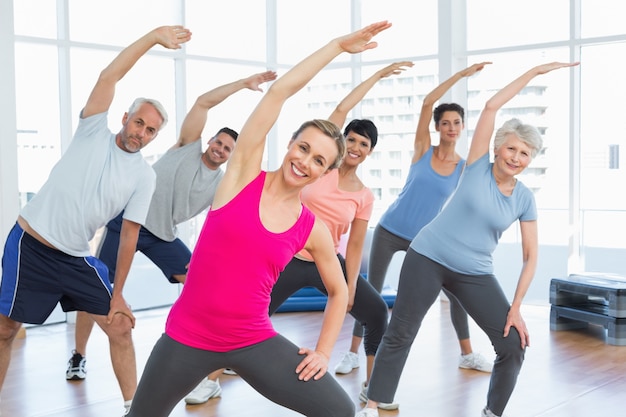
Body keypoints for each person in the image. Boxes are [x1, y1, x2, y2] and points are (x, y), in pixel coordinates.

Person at [125, 21, 391, 417]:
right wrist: (336, 46)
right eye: (303, 148)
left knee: (339, 410)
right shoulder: (241, 177)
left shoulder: (310, 228)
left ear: (326, 172)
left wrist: (322, 351)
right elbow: (280, 92)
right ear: (289, 144)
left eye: (319, 160)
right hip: (187, 337)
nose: (305, 161)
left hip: (252, 340)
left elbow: (340, 292)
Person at [355, 61, 579, 417]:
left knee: (512, 344)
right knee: (401, 332)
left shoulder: (524, 198)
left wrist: (517, 307)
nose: (516, 158)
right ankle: (372, 404)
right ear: (498, 148)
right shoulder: (476, 165)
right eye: (511, 149)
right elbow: (491, 106)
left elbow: (530, 256)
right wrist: (532, 73)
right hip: (427, 256)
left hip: (474, 271)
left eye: (524, 153)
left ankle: (492, 412)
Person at [0, 25, 192, 416]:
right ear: (125, 117)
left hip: (74, 258)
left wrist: (118, 292)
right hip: (31, 245)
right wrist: (153, 37)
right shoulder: (91, 131)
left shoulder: (144, 176)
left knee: (120, 324)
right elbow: (110, 76)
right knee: (4, 331)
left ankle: (134, 408)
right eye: (139, 123)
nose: (142, 133)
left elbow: (129, 237)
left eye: (151, 130)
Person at [64, 71, 277, 406]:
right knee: (93, 291)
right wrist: (241, 84)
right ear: (208, 142)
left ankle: (215, 355)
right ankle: (78, 355)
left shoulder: (222, 184)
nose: (220, 150)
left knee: (202, 281)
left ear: (231, 156)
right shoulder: (186, 147)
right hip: (127, 222)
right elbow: (203, 102)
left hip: (162, 235)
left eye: (227, 149)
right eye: (218, 143)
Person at [335, 63, 495, 384]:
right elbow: (425, 103)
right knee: (371, 291)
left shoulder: (463, 168)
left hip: (425, 240)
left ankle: (466, 353)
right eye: (445, 122)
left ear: (463, 127)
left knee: (455, 292)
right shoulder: (423, 149)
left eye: (457, 123)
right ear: (437, 126)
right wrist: (460, 76)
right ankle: (353, 352)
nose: (451, 127)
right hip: (390, 230)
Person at [267, 62, 413, 412]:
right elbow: (342, 109)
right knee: (250, 309)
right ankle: (214, 373)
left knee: (376, 311)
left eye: (363, 144)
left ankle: (372, 386)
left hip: (326, 261)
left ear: (369, 152)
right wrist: (377, 76)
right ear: (341, 141)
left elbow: (357, 244)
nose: (356, 147)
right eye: (351, 139)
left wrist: (348, 288)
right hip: (289, 255)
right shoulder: (321, 166)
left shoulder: (364, 195)